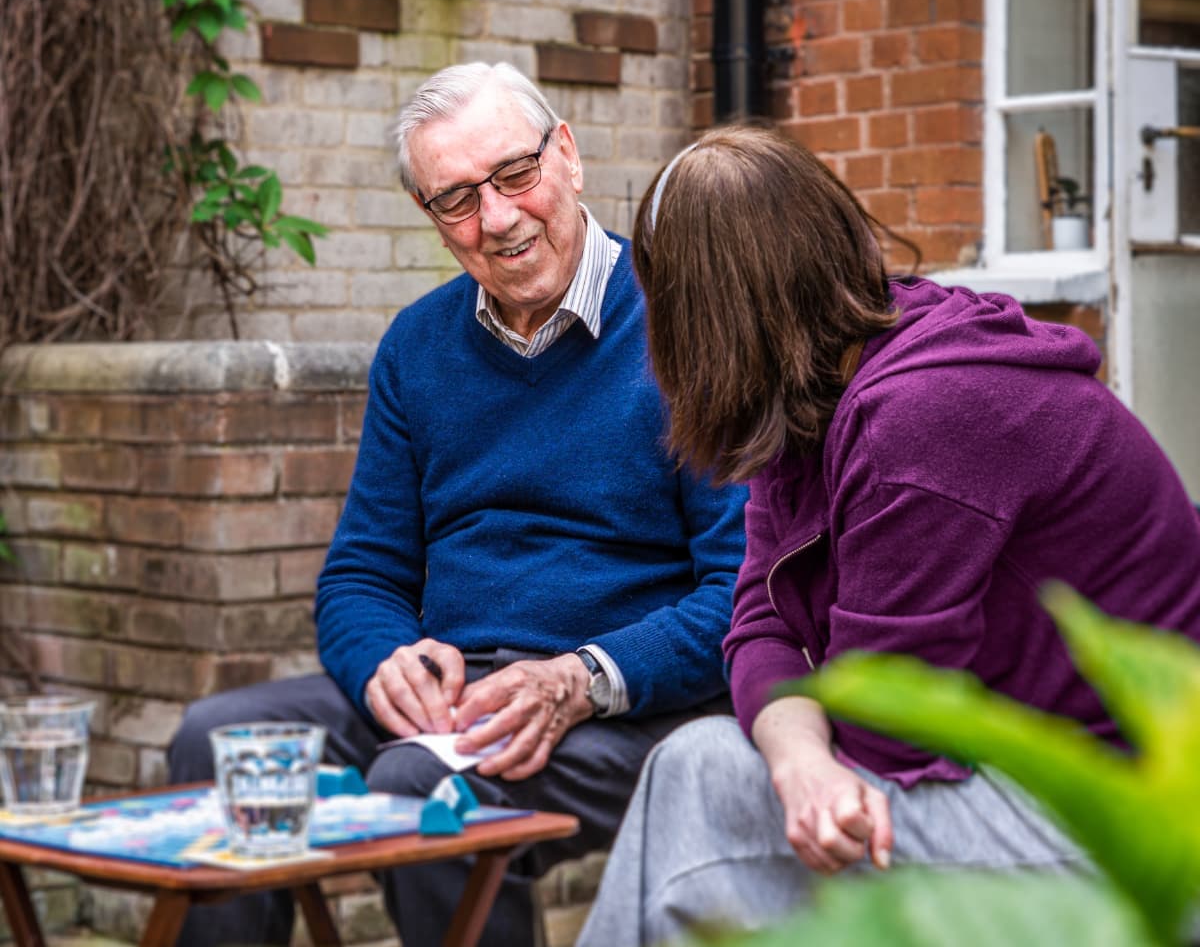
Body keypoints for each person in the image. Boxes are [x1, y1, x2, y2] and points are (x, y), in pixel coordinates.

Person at [576, 123, 1200, 946]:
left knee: (703, 777)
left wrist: (800, 746)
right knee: (708, 772)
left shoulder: (922, 418)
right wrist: (799, 756)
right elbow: (759, 621)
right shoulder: (819, 383)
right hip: (1014, 784)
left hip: (1133, 828)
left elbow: (889, 730)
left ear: (703, 318)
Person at [166, 63, 747, 947]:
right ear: (433, 221)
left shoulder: (687, 323)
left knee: (422, 792)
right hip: (453, 698)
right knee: (219, 743)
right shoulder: (418, 345)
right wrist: (380, 663)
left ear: (569, 155)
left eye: (516, 175)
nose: (500, 218)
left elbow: (742, 589)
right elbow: (363, 572)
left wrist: (581, 679)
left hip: (627, 702)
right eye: (458, 199)